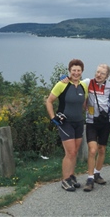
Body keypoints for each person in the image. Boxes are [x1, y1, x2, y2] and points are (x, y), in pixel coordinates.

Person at [60, 64, 110, 192]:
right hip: (91, 122)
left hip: (105, 121)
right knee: (92, 150)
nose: (98, 75)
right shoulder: (87, 82)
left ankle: (97, 173)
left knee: (102, 149)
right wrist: (64, 77)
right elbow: (73, 81)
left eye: (102, 73)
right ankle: (90, 178)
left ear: (107, 76)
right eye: (97, 72)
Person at [46, 59, 87, 192]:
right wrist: (53, 118)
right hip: (65, 122)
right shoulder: (62, 84)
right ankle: (65, 180)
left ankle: (71, 176)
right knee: (70, 152)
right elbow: (49, 101)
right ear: (69, 71)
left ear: (82, 72)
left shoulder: (83, 85)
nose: (76, 73)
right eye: (73, 70)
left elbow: (84, 103)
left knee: (74, 151)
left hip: (79, 122)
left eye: (78, 70)